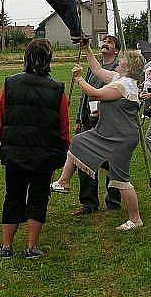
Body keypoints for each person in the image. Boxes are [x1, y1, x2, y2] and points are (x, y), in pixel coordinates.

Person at [0, 39, 69, 259]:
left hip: (15, 153)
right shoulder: (57, 89)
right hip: (44, 155)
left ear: (26, 58)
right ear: (49, 59)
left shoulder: (10, 84)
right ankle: (31, 248)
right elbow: (64, 126)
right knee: (38, 198)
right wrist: (62, 153)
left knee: (13, 196)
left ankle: (6, 247)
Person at [51, 45, 145, 233]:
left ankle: (135, 219)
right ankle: (64, 182)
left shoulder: (124, 84)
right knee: (78, 141)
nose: (119, 61)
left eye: (123, 60)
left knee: (121, 179)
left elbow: (96, 93)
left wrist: (78, 79)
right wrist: (86, 49)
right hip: (109, 133)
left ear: (128, 67)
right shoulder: (119, 79)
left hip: (120, 137)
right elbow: (97, 70)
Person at [73, 35, 121, 215]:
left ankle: (114, 201)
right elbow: (85, 94)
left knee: (112, 161)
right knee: (84, 159)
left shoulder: (118, 69)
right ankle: (89, 203)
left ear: (116, 49)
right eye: (104, 41)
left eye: (110, 42)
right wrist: (79, 118)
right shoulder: (95, 67)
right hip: (89, 120)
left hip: (109, 122)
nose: (105, 43)